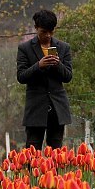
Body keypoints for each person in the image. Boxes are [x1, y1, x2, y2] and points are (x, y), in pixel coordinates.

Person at [17, 9, 73, 150]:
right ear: (36, 28)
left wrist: (58, 65)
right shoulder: (25, 48)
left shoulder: (63, 47)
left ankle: (55, 173)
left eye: (51, 32)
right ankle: (31, 173)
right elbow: (21, 76)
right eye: (43, 32)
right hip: (35, 108)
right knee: (32, 150)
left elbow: (68, 77)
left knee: (56, 151)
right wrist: (39, 65)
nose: (47, 35)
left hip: (57, 107)